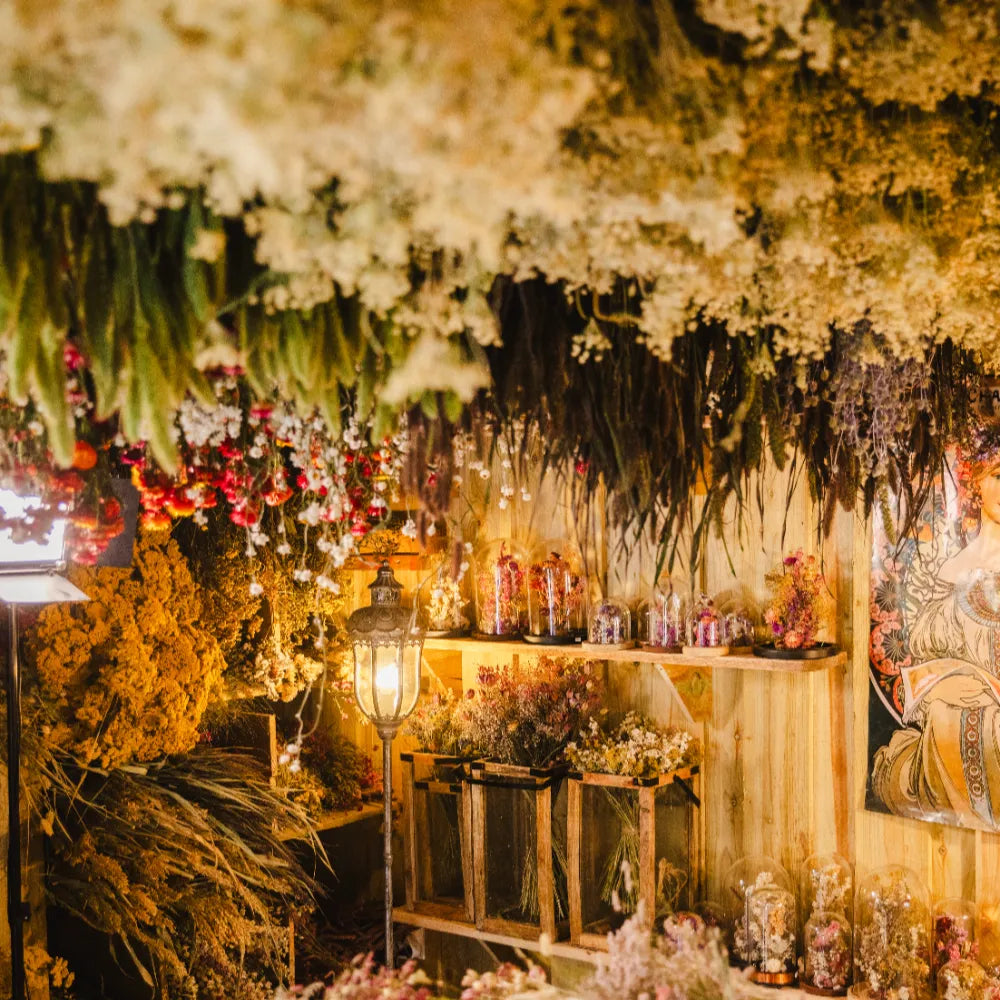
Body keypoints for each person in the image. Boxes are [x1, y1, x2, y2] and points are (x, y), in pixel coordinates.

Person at [873, 448, 1000, 829]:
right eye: (997, 473)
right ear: (976, 482)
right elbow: (928, 656)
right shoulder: (954, 568)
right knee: (946, 725)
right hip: (953, 719)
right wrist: (945, 688)